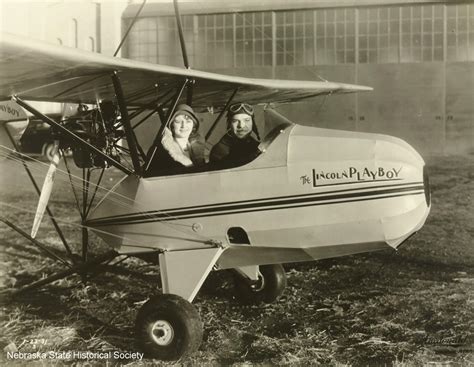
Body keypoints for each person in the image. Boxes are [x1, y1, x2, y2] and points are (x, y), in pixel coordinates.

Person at [147, 104, 205, 175]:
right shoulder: (160, 151)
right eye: (178, 121)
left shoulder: (197, 150)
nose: (183, 126)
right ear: (172, 125)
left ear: (193, 125)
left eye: (188, 121)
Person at [209, 103, 260, 168]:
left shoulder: (256, 146)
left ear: (253, 123)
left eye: (247, 120)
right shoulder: (220, 152)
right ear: (229, 124)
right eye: (235, 121)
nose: (241, 125)